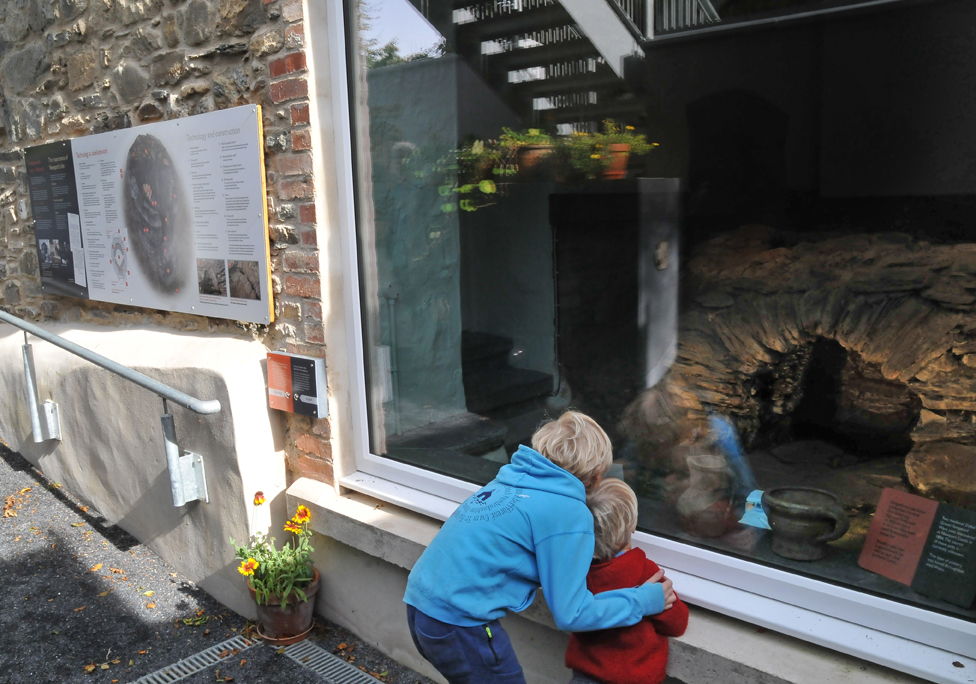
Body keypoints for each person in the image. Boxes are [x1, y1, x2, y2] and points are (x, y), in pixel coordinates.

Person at [404, 411, 677, 684]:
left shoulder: (508, 481)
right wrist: (643, 601)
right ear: (595, 476)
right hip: (460, 624)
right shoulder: (568, 511)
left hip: (420, 608)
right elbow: (573, 614)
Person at [565, 478, 689, 684]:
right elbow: (677, 623)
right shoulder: (645, 571)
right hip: (636, 677)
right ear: (632, 526)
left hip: (585, 675)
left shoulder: (574, 571)